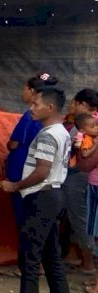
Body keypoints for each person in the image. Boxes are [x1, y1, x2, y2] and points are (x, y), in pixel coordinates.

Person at [0, 86, 72, 293]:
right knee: (51, 252)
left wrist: (15, 185)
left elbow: (41, 171)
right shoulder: (62, 132)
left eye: (36, 104)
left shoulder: (48, 135)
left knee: (30, 252)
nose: (31, 107)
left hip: (41, 195)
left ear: (50, 108)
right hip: (54, 194)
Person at [5, 72, 59, 226]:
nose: (23, 93)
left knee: (25, 220)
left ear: (33, 92)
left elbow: (14, 143)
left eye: (25, 89)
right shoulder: (54, 119)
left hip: (24, 174)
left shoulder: (30, 116)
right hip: (43, 179)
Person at [62, 89, 98, 274]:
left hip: (79, 177)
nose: (71, 107)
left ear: (83, 105)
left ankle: (88, 263)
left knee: (80, 218)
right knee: (75, 216)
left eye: (74, 103)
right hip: (85, 177)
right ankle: (74, 256)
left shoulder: (85, 126)